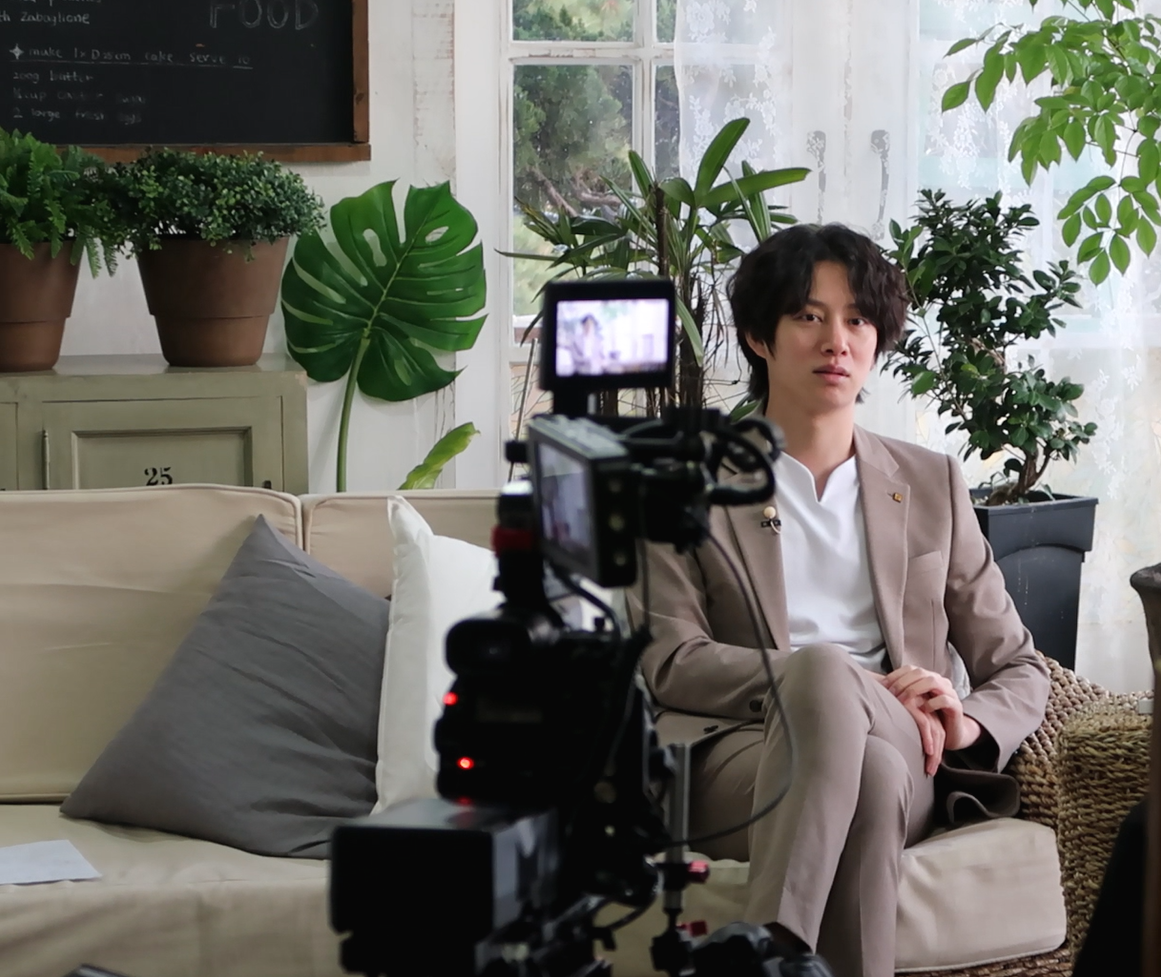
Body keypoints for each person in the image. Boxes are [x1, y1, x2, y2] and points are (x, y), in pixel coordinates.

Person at [629, 224, 1050, 977]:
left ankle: (762, 955)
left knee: (875, 751)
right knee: (860, 754)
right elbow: (670, 658)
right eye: (808, 316)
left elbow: (1018, 666)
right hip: (739, 752)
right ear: (759, 337)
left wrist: (963, 723)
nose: (837, 341)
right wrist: (830, 677)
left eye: (857, 319)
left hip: (907, 739)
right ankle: (778, 954)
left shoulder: (930, 482)